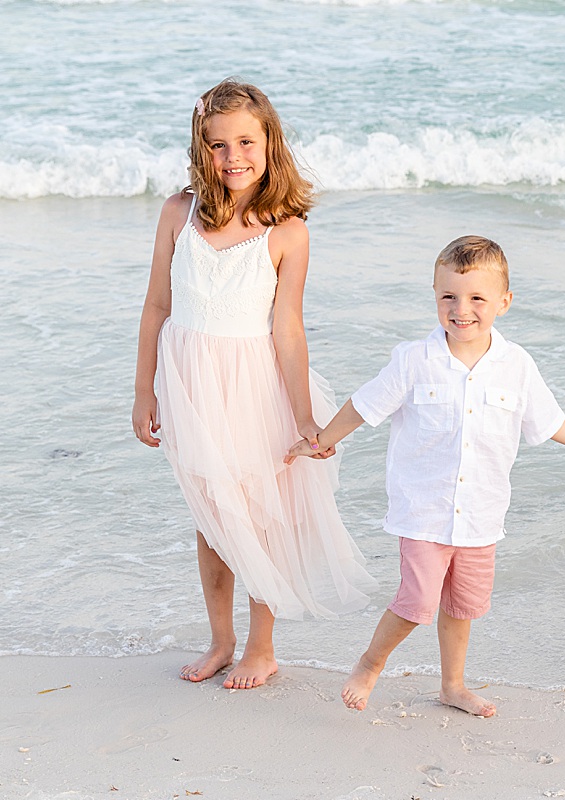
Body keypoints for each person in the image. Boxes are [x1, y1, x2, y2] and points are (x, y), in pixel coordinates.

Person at [287, 235, 565, 717]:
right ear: (434, 295)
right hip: (423, 512)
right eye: (448, 297)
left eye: (477, 298)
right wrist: (323, 439)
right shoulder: (414, 360)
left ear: (504, 301)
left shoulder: (516, 365)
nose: (462, 310)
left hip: (481, 515)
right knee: (417, 602)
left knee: (462, 606)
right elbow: (364, 404)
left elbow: (550, 423)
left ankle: (452, 685)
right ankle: (370, 664)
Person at [132, 80, 376, 690]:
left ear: (270, 142)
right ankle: (221, 640)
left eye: (246, 141)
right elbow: (156, 306)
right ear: (201, 147)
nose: (232, 156)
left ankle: (261, 649)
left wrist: (304, 419)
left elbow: (288, 331)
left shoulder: (286, 232)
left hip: (254, 388)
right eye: (218, 145)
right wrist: (144, 391)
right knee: (211, 515)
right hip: (191, 385)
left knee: (257, 517)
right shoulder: (177, 213)